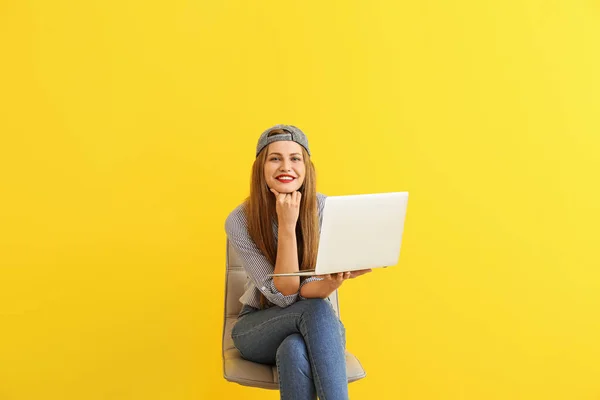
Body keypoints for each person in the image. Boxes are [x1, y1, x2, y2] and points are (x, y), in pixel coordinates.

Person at [225, 124, 371, 400]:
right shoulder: (239, 220)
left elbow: (310, 290)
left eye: (295, 158)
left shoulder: (324, 208)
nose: (286, 167)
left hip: (317, 324)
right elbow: (285, 293)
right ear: (261, 168)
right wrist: (287, 225)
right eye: (275, 158)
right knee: (313, 310)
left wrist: (331, 282)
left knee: (293, 349)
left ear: (306, 167)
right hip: (258, 327)